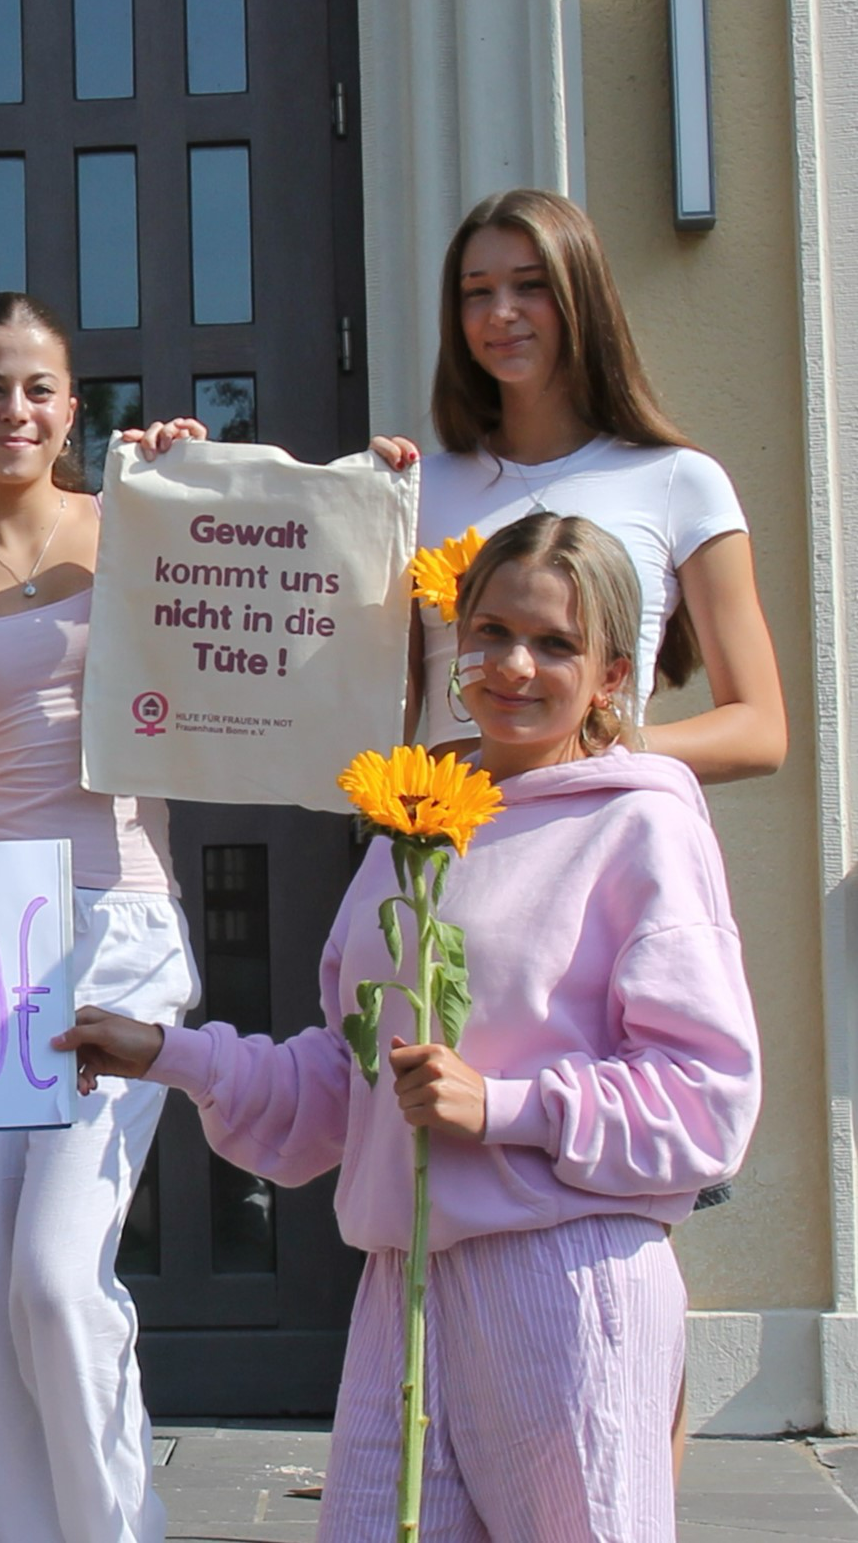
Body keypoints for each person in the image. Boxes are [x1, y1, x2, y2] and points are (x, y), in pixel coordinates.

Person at [58, 513, 762, 1539]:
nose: (514, 664)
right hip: (405, 1287)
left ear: (612, 672)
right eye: (491, 630)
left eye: (555, 643)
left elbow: (706, 1100)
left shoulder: (640, 822)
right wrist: (164, 1050)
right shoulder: (414, 826)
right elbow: (350, 1081)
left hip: (562, 1280)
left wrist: (504, 1105)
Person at [0, 292, 201, 1542]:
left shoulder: (139, 528)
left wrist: (204, 480)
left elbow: (285, 610)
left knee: (56, 1280)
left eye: (39, 387)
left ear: (73, 408)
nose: (14, 409)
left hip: (119, 920)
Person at [374, 187, 784, 784]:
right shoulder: (415, 491)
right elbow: (371, 720)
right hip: (454, 848)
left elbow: (760, 731)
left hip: (604, 827)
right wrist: (356, 502)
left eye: (529, 285)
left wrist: (594, 753)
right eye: (477, 292)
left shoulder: (679, 481)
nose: (501, 312)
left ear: (579, 298)